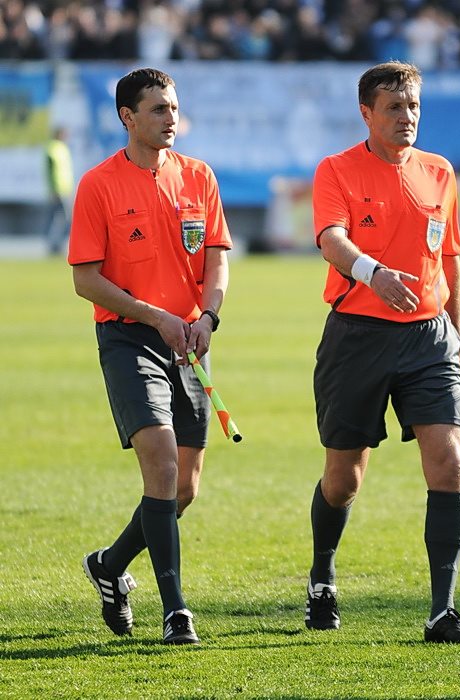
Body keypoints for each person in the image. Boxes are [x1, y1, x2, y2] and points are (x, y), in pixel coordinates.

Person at [305, 61, 460, 644]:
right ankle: (322, 577)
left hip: (429, 338)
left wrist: (457, 330)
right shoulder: (336, 169)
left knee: (450, 461)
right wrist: (372, 272)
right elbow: (331, 240)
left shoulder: (439, 171)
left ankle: (442, 611)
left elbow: (449, 253)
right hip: (357, 336)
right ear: (367, 113)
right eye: (394, 107)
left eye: (413, 107)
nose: (407, 117)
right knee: (344, 478)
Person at [68, 68, 232, 645]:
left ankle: (110, 566)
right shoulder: (98, 184)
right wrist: (156, 316)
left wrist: (207, 316)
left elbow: (217, 258)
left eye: (174, 108)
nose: (170, 118)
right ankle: (175, 610)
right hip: (129, 338)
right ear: (127, 117)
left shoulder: (199, 176)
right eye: (158, 109)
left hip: (189, 340)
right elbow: (86, 280)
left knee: (183, 488)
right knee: (161, 464)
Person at [43, 127, 74, 255]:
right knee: (62, 218)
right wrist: (53, 189)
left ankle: (56, 244)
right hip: (58, 190)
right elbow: (51, 171)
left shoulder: (62, 148)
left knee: (60, 218)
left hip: (64, 189)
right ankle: (55, 245)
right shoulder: (53, 149)